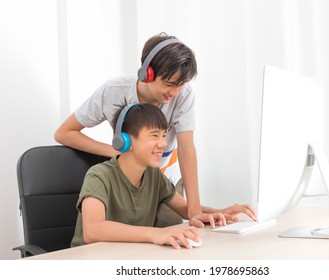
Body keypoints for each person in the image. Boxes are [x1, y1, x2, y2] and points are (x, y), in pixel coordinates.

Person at [54, 33, 216, 227]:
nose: (175, 93)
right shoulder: (114, 91)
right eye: (169, 84)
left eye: (181, 85)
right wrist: (114, 150)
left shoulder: (184, 94)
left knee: (173, 232)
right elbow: (64, 133)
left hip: (164, 180)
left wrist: (197, 211)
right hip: (129, 178)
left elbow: (186, 147)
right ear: (147, 73)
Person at [71, 104, 257, 249]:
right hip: (89, 261)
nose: (162, 144)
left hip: (127, 257)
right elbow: (92, 230)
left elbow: (186, 209)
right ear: (125, 140)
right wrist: (155, 234)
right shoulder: (99, 176)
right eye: (154, 136)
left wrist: (220, 212)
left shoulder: (153, 175)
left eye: (163, 135)